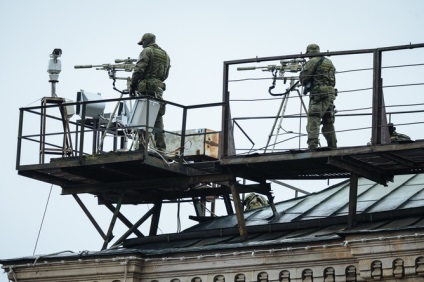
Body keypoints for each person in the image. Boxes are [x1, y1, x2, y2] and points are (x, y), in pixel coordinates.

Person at [130, 33, 171, 153]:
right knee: (158, 119)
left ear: (147, 41)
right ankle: (161, 148)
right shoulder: (165, 55)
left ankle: (142, 147)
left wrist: (133, 86)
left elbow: (139, 70)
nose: (142, 45)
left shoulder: (147, 51)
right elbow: (165, 74)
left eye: (142, 42)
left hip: (146, 88)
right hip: (158, 89)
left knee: (143, 116)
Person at [300, 44, 337, 149]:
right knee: (328, 121)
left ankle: (312, 146)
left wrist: (302, 72)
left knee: (313, 119)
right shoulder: (328, 62)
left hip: (318, 95)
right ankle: (333, 145)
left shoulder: (312, 61)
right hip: (330, 94)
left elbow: (304, 79)